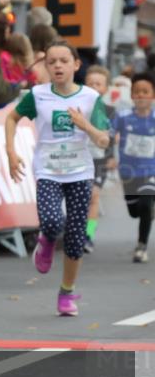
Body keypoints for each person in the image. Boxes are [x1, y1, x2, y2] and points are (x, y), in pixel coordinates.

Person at [6, 41, 111, 316]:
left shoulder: (90, 98)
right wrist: (11, 153)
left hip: (80, 172)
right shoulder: (38, 95)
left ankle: (66, 292)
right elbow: (11, 118)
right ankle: (47, 239)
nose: (58, 66)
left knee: (76, 238)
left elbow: (103, 139)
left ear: (76, 65)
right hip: (48, 171)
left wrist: (85, 125)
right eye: (51, 62)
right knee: (52, 221)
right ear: (46, 67)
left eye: (64, 61)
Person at [110, 72, 155, 263]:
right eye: (137, 91)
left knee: (145, 204)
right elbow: (108, 136)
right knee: (134, 211)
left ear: (153, 95)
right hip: (128, 172)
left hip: (151, 171)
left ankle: (141, 246)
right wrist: (110, 157)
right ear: (131, 95)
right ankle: (149, 210)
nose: (141, 95)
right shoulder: (122, 116)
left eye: (145, 91)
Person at [82, 66, 117, 253]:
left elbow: (114, 137)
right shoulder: (77, 108)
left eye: (98, 84)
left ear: (106, 88)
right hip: (79, 157)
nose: (94, 87)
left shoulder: (110, 111)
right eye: (90, 83)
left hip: (100, 161)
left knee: (93, 196)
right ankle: (75, 232)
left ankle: (88, 235)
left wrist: (112, 157)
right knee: (79, 198)